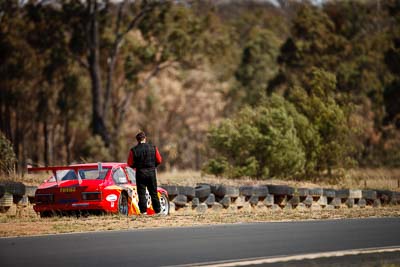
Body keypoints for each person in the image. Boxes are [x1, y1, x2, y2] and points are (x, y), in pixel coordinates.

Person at [127, 131, 162, 215]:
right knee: (153, 192)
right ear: (145, 139)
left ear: (137, 140)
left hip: (140, 174)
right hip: (151, 173)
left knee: (141, 193)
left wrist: (136, 166)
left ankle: (143, 212)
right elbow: (159, 160)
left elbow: (130, 163)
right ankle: (157, 211)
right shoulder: (153, 147)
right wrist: (153, 166)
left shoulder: (134, 150)